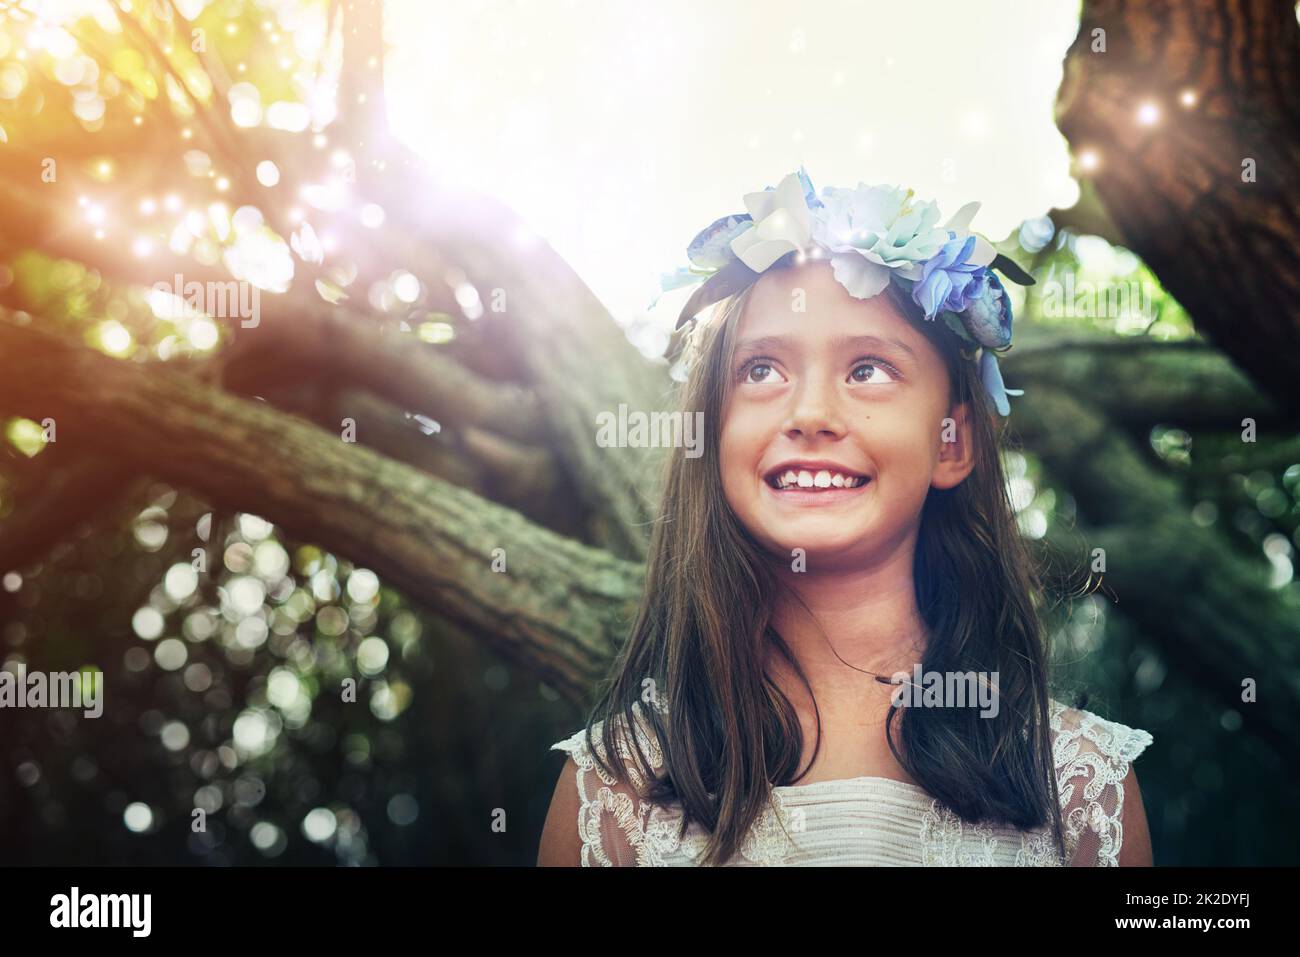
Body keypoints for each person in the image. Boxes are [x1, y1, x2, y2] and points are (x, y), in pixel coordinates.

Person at [537, 169, 1153, 866]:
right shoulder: (611, 793)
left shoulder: (1078, 789)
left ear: (953, 443)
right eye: (762, 370)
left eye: (867, 370)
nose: (810, 416)